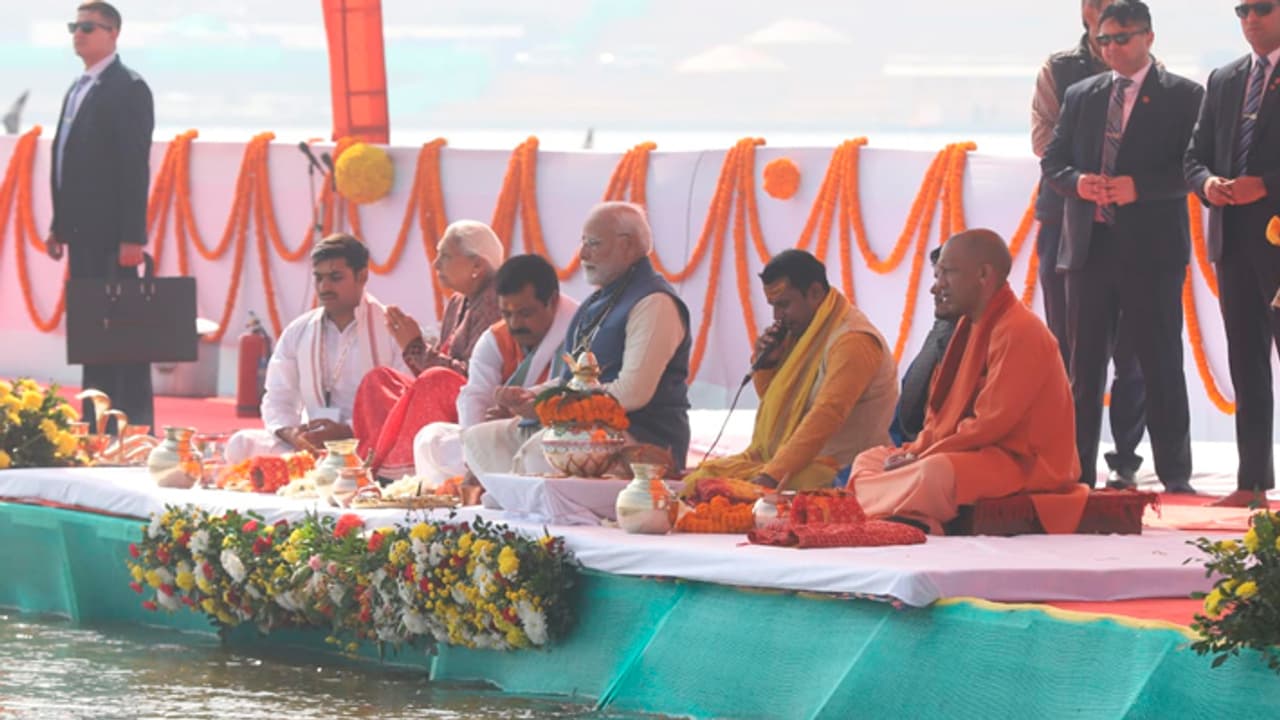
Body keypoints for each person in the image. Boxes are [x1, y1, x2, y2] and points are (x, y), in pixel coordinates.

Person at [1042, 0, 1201, 494]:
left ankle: (1175, 475)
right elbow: (1053, 161)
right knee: (1083, 369)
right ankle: (1077, 473)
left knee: (1159, 364)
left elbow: (1194, 168)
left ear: (1149, 37)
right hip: (1091, 249)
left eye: (1123, 38)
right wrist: (1079, 182)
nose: (1112, 48)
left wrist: (1141, 187)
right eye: (1104, 40)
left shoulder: (1184, 95)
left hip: (1152, 252)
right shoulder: (1083, 94)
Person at [849, 230, 1083, 535]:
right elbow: (940, 415)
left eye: (947, 273)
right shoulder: (966, 327)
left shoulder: (1020, 330)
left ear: (984, 275)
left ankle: (896, 506)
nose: (936, 287)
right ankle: (910, 511)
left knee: (935, 473)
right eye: (937, 275)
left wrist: (922, 456)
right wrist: (914, 451)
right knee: (870, 459)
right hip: (970, 453)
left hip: (1021, 463)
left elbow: (990, 424)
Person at [463, 202, 691, 476]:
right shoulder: (599, 301)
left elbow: (632, 392)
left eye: (593, 243)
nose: (582, 254)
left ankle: (545, 513)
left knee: (538, 454)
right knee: (480, 440)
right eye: (583, 242)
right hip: (581, 430)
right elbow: (573, 381)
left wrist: (552, 407)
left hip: (639, 439)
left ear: (626, 245)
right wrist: (532, 395)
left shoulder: (654, 303)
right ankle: (519, 510)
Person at [1032, 0, 1148, 489]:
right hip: (1067, 220)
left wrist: (1133, 177)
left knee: (1135, 350)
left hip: (1136, 228)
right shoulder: (1060, 70)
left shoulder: (1159, 79)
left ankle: (1126, 456)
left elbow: (1174, 152)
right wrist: (1086, 177)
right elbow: (1044, 141)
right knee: (1071, 348)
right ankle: (1071, 460)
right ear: (1084, 11)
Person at [681, 250, 898, 492]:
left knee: (723, 489)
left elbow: (826, 415)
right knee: (702, 478)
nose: (777, 316)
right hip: (799, 464)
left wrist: (771, 476)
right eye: (773, 306)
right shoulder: (803, 333)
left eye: (784, 304)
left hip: (842, 471)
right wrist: (768, 364)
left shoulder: (852, 340)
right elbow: (779, 406)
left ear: (815, 293)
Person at [1185, 0, 1280, 507]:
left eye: (1262, 8)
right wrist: (1209, 183)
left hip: (1276, 236)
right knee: (1246, 362)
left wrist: (1263, 186)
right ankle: (1252, 483)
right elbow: (1192, 156)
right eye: (1241, 10)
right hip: (1232, 240)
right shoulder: (1224, 79)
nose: (1250, 19)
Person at [45, 2, 154, 431]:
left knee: (121, 334)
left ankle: (129, 426)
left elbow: (133, 165)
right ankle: (94, 420)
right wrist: (59, 225)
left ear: (113, 34)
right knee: (92, 332)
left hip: (113, 237)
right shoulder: (79, 87)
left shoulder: (128, 87)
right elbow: (68, 163)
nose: (79, 34)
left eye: (88, 27)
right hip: (82, 235)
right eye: (75, 26)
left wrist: (132, 236)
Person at [225, 234, 405, 462]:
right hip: (312, 446)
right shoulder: (298, 330)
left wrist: (347, 430)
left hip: (371, 444)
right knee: (240, 444)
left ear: (362, 276)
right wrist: (291, 433)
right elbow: (278, 396)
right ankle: (313, 465)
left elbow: (401, 401)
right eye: (318, 278)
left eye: (335, 277)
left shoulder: (392, 328)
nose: (324, 287)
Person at [351, 220, 504, 479]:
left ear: (477, 265)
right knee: (379, 380)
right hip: (447, 396)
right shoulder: (458, 301)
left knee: (435, 380)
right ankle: (376, 464)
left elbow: (471, 380)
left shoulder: (497, 300)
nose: (435, 264)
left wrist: (415, 347)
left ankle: (397, 475)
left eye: (444, 256)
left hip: (480, 407)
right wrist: (415, 346)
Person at [412, 254, 579, 485]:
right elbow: (475, 396)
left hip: (558, 438)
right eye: (507, 314)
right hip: (505, 438)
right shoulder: (496, 338)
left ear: (551, 301)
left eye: (525, 313)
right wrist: (476, 453)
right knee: (430, 439)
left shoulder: (581, 331)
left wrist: (523, 415)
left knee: (546, 449)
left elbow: (580, 395)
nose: (515, 324)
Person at [889, 247, 956, 446]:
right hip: (911, 444)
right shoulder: (943, 328)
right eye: (937, 278)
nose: (934, 289)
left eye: (947, 278)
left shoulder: (999, 337)